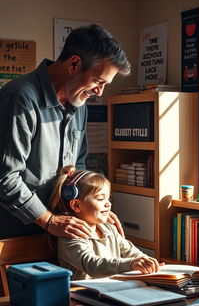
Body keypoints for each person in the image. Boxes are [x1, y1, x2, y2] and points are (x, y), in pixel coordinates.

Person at [0, 24, 130, 239]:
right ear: (74, 64)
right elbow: (5, 177)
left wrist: (95, 208)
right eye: (98, 81)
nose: (99, 92)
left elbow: (77, 170)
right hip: (16, 238)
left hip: (59, 235)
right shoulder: (20, 98)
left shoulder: (79, 103)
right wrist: (49, 220)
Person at [49, 165, 161, 279]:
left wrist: (145, 261)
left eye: (108, 198)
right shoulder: (70, 235)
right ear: (76, 205)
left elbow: (130, 251)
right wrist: (131, 264)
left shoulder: (108, 228)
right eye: (101, 199)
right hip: (82, 293)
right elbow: (92, 265)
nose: (108, 204)